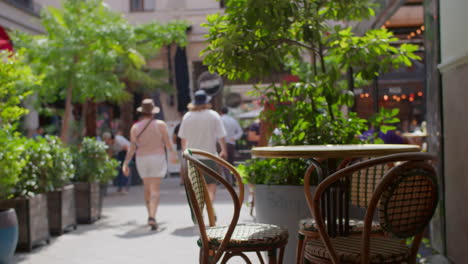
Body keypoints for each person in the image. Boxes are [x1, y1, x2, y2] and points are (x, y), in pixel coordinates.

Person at [122, 99, 174, 230]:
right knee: (155, 189)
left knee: (147, 188)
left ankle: (149, 215)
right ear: (152, 112)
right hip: (157, 158)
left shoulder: (135, 127)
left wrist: (126, 163)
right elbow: (168, 143)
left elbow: (132, 147)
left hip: (142, 159)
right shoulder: (160, 125)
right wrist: (174, 155)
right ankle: (152, 216)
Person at [178, 90, 227, 202]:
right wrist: (224, 150)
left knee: (196, 186)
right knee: (211, 184)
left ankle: (200, 210)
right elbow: (221, 136)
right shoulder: (213, 115)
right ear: (207, 102)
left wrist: (184, 153)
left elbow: (183, 138)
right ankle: (210, 207)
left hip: (193, 158)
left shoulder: (187, 116)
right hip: (210, 156)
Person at [219, 107, 243, 185]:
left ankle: (227, 181)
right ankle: (233, 180)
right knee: (231, 162)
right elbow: (240, 132)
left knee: (223, 162)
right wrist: (234, 138)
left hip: (221, 143)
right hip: (231, 144)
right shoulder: (233, 120)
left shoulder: (219, 119)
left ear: (221, 112)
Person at [172, 120, 184, 185]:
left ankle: (182, 180)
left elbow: (174, 139)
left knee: (183, 165)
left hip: (180, 148)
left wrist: (178, 143)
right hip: (191, 147)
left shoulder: (178, 126)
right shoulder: (192, 125)